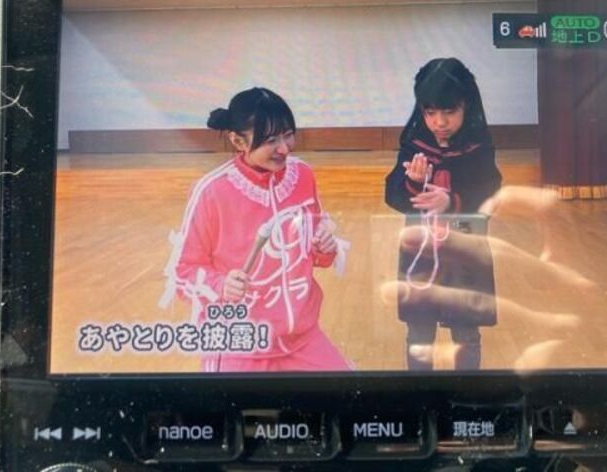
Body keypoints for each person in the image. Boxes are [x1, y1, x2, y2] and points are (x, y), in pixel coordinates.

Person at [160, 87, 350, 372]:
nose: (284, 148)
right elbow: (182, 272)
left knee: (349, 394)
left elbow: (318, 255)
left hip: (302, 339)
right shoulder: (211, 191)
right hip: (240, 342)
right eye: (271, 140)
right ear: (238, 141)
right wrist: (220, 285)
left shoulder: (303, 175)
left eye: (288, 135)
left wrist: (324, 247)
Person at [385, 58, 502, 370]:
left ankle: (465, 391)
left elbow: (490, 193)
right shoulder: (414, 145)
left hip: (464, 254)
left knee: (466, 334)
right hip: (421, 254)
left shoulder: (478, 149)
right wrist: (412, 183)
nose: (439, 122)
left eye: (450, 112)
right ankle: (421, 393)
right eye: (430, 112)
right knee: (419, 333)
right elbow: (392, 195)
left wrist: (451, 201)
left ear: (467, 107)